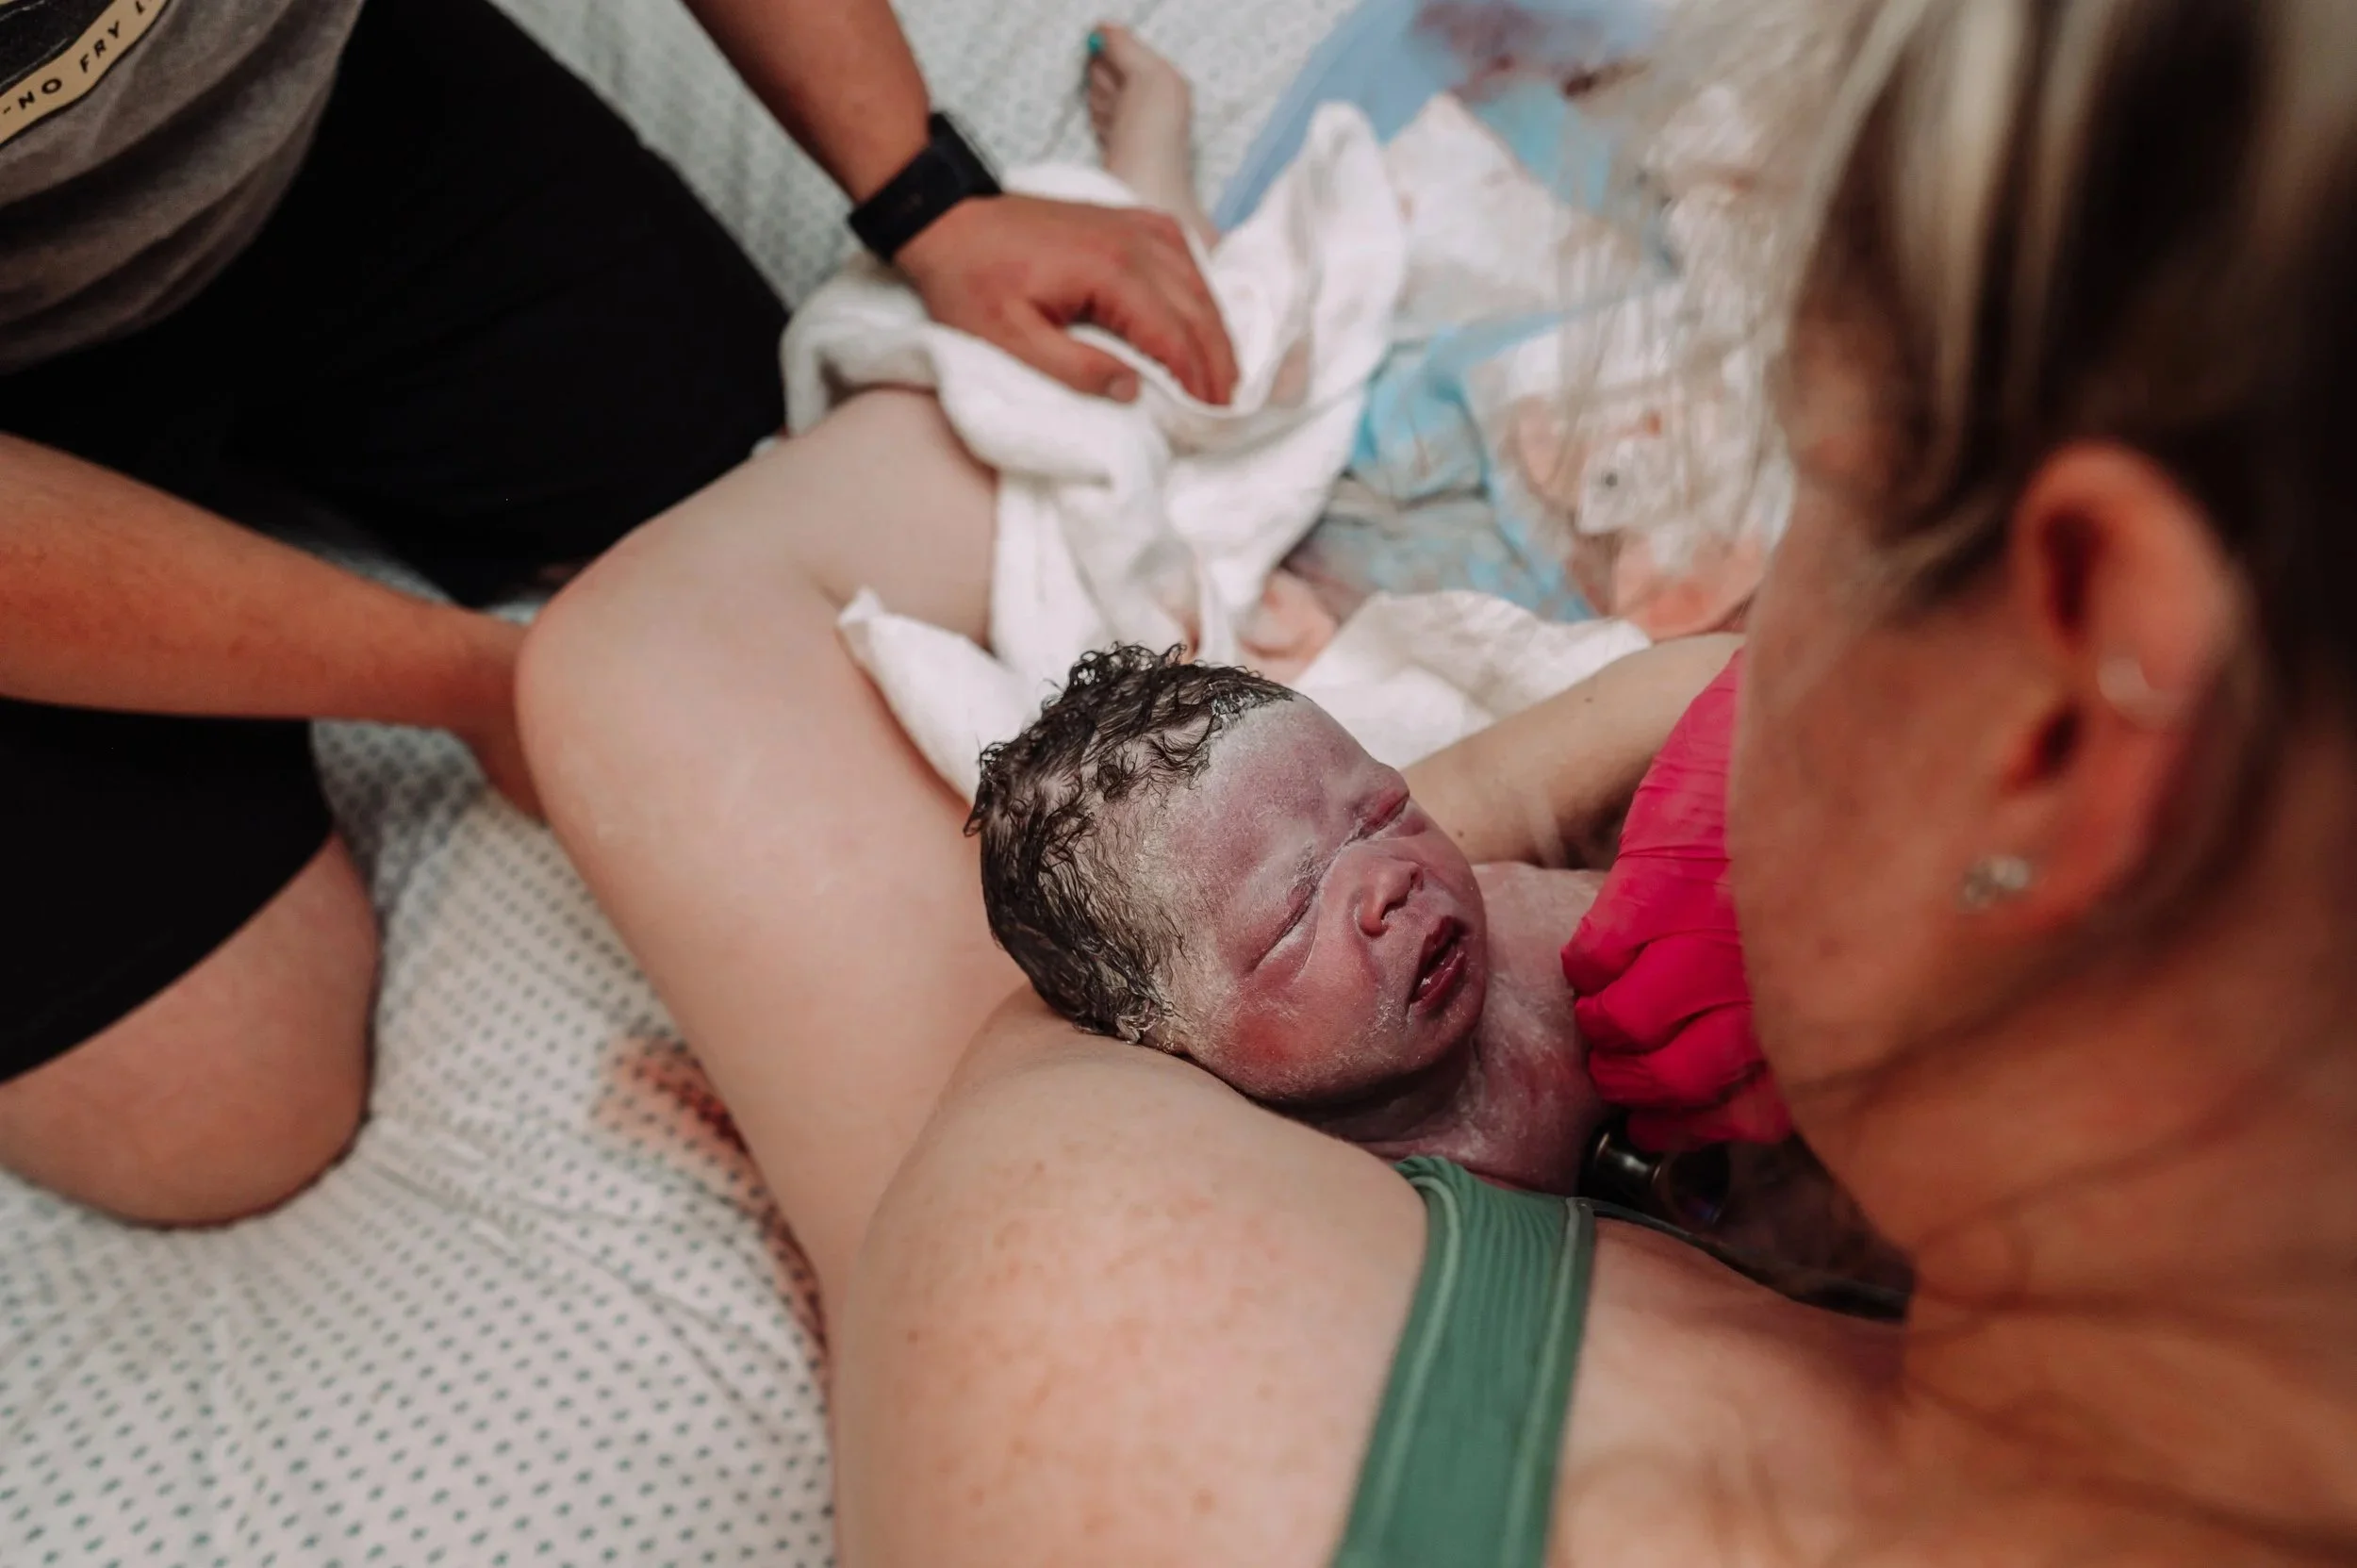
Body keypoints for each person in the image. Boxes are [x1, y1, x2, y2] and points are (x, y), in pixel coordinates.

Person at [523, 2, 2357, 1560]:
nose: (1746, 629)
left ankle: (1111, 280)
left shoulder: (1127, 1376)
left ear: (2074, 698)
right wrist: (1588, 762)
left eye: (1818, 512)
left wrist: (1561, 770)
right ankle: (1119, 262)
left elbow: (1090, 1027)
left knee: (625, 673)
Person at [0, 0, 1236, 1224]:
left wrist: (933, 198)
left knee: (789, 533)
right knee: (218, 1109)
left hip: (295, 137)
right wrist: (486, 683)